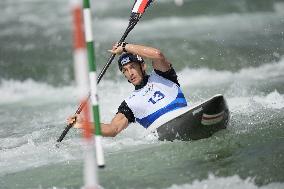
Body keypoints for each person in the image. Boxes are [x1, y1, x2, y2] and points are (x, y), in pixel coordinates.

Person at [67, 42, 188, 137]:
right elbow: (113, 129)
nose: (130, 73)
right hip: (163, 132)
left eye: (132, 67)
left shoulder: (162, 75)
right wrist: (83, 124)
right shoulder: (129, 104)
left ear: (143, 66)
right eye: (125, 70)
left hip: (185, 116)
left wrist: (125, 47)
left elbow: (157, 54)